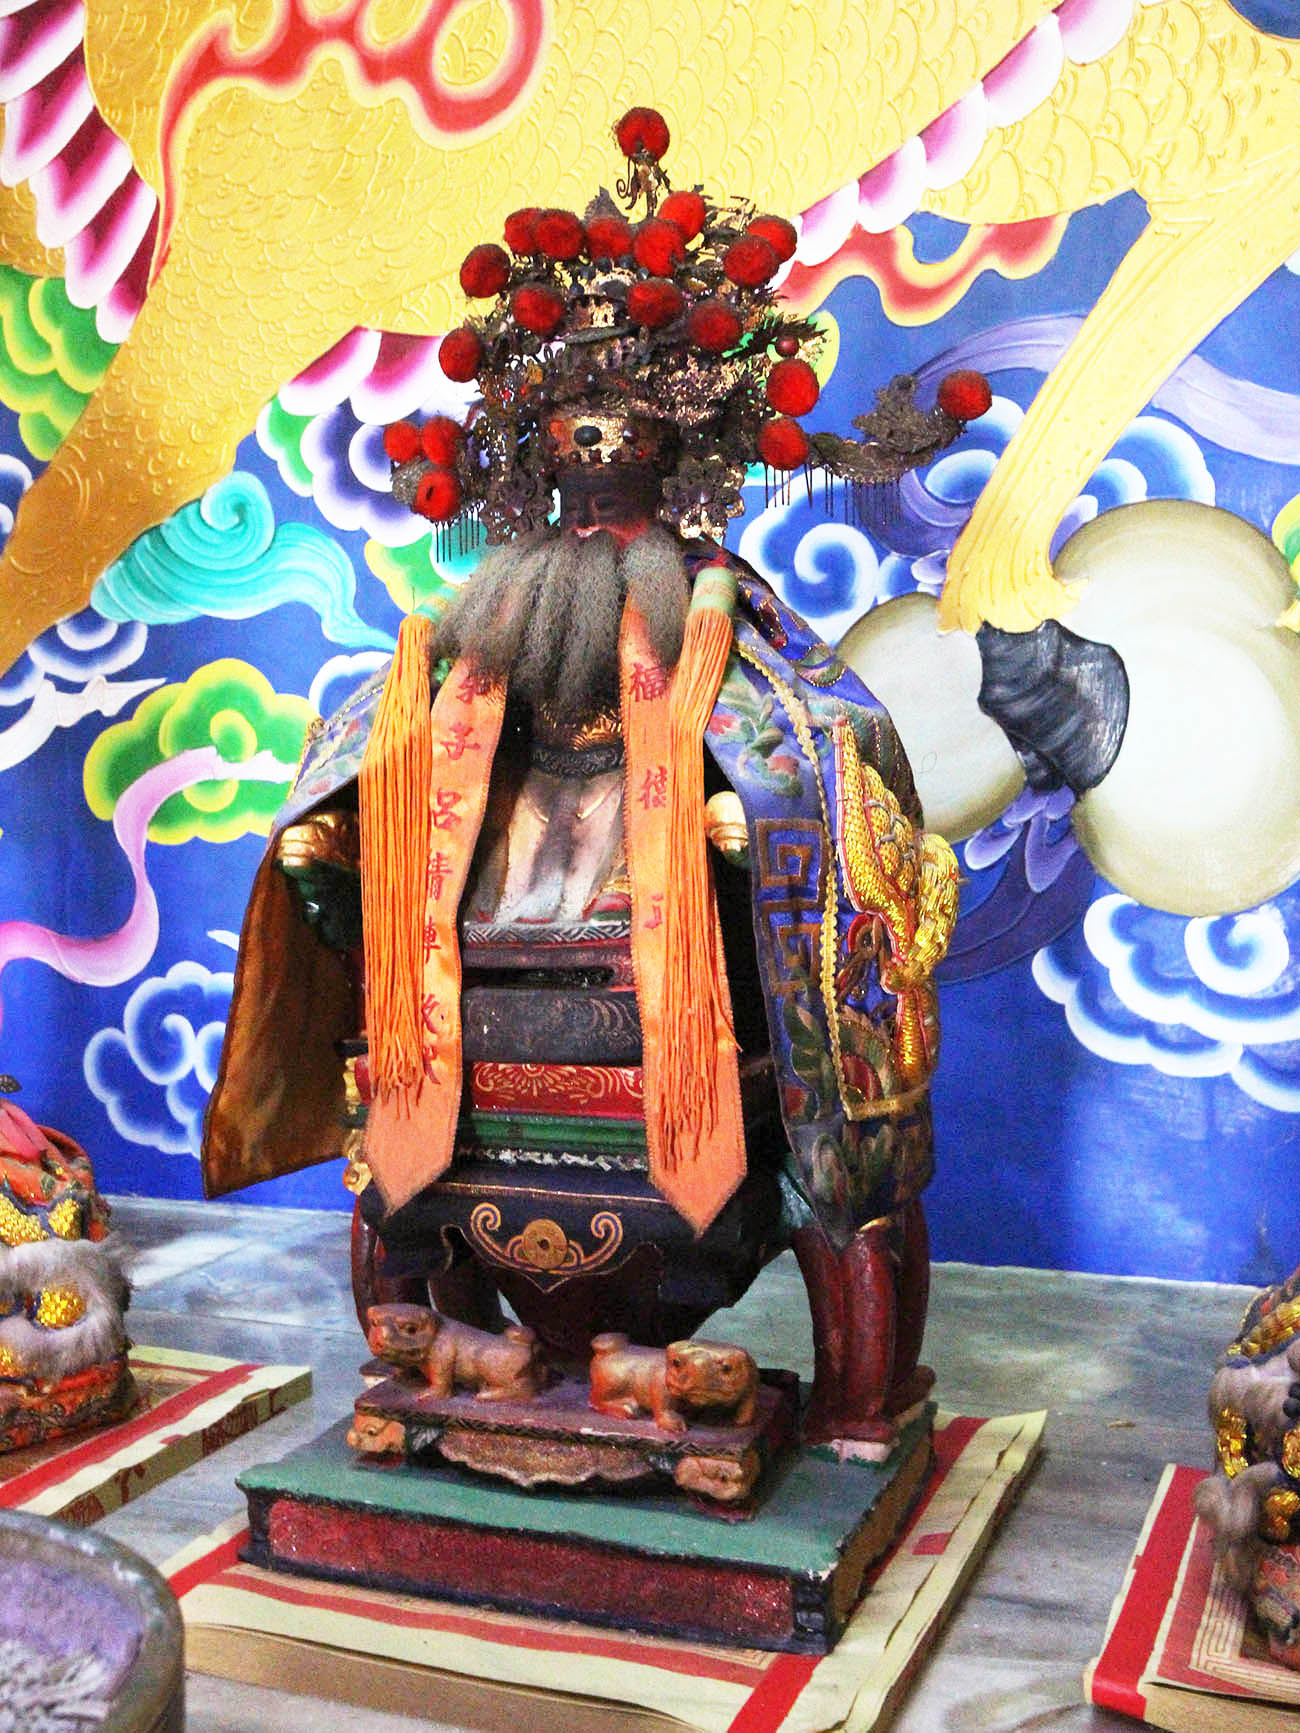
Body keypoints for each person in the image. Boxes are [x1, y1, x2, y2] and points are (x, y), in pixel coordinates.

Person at [202, 109, 980, 1444]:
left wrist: (747, 826)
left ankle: (858, 1391)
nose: (600, 471)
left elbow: (818, 747)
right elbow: (375, 759)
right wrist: (341, 835)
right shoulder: (479, 641)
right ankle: (443, 1346)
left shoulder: (724, 628)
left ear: (677, 460)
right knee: (371, 821)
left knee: (782, 812)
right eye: (576, 442)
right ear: (539, 456)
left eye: (627, 446)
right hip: (509, 951)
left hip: (673, 950)